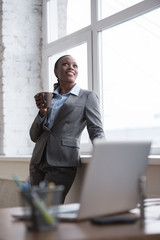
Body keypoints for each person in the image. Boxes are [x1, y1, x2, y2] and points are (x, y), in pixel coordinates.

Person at [29, 55, 104, 203]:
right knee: (34, 209)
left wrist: (105, 153)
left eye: (75, 66)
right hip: (38, 160)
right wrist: (42, 112)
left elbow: (96, 129)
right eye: (65, 64)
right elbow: (34, 135)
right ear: (56, 71)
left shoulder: (87, 96)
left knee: (50, 208)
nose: (71, 67)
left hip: (62, 161)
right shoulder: (49, 98)